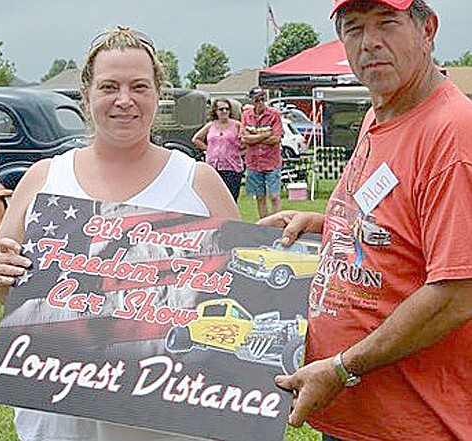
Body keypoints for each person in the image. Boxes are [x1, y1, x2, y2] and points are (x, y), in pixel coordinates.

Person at [0, 26, 239, 441]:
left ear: (158, 94)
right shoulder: (44, 179)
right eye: (109, 86)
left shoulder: (199, 182)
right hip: (58, 418)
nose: (125, 100)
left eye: (139, 86)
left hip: (165, 418)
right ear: (86, 96)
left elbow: (241, 287)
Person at [260, 1, 472, 440]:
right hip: (362, 412)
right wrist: (322, 222)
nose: (370, 42)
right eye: (354, 28)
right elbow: (398, 227)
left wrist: (342, 368)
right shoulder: (381, 113)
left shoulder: (452, 133)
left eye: (387, 23)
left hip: (414, 421)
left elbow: (458, 291)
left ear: (427, 29)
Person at [241, 86, 283, 218]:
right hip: (253, 162)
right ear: (252, 100)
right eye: (257, 99)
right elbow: (244, 138)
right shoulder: (246, 115)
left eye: (262, 99)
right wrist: (264, 135)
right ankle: (264, 224)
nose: (260, 102)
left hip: (272, 162)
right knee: (260, 197)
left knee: (274, 196)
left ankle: (277, 223)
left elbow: (276, 138)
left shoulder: (274, 115)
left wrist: (254, 138)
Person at [192, 98, 244, 201]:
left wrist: (240, 152)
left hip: (231, 167)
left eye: (227, 109)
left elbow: (246, 141)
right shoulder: (211, 125)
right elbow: (196, 139)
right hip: (213, 167)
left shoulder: (237, 125)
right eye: (221, 109)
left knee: (231, 198)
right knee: (214, 198)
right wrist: (209, 149)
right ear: (215, 111)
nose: (224, 112)